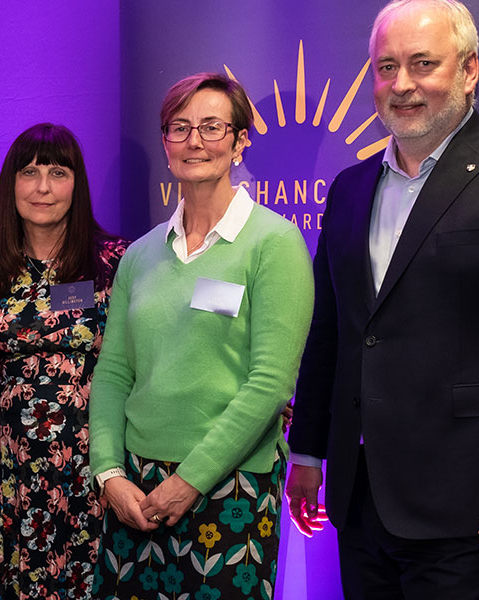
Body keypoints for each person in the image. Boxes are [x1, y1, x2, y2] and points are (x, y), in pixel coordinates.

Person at [285, 1, 479, 598]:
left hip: (478, 508)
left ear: (468, 72)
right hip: (361, 503)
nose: (401, 85)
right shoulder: (350, 188)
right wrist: (308, 447)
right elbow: (332, 331)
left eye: (422, 64)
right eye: (386, 68)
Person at [88, 73, 314, 599]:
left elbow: (271, 384)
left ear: (239, 142)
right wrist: (109, 474)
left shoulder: (274, 243)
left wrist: (188, 482)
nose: (195, 141)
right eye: (180, 127)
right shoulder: (140, 255)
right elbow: (114, 372)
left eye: (212, 127)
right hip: (135, 492)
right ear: (165, 142)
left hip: (229, 487)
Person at [0, 123, 127, 599]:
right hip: (9, 471)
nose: (43, 188)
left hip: (92, 468)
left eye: (58, 172)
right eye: (29, 172)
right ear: (10, 182)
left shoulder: (115, 262)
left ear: (78, 183)